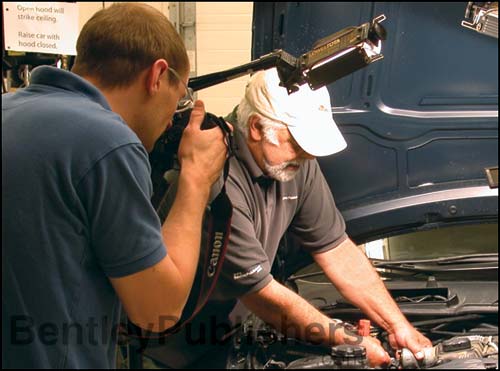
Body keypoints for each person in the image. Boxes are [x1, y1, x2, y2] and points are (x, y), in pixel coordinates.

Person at [144, 68, 432, 368]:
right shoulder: (216, 177)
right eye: (296, 144)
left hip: (236, 338)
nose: (305, 156)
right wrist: (348, 341)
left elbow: (336, 250)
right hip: (179, 347)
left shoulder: (296, 165)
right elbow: (261, 294)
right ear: (255, 127)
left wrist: (397, 325)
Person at [2, 3, 228, 369]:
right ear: (157, 76)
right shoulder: (108, 142)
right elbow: (158, 308)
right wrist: (196, 179)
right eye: (180, 95)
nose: (174, 117)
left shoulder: (8, 112)